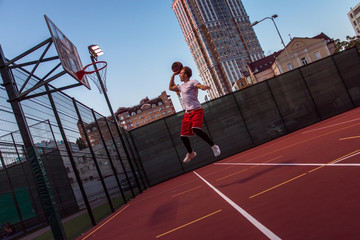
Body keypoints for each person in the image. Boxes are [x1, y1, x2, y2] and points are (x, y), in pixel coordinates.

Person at [169, 66, 220, 163]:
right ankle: (191, 153)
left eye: (181, 73)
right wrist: (173, 75)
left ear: (186, 74)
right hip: (187, 113)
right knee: (183, 136)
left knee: (196, 129)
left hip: (196, 110)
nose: (179, 74)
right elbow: (171, 87)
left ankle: (214, 146)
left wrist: (203, 87)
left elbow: (199, 86)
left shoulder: (193, 82)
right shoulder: (181, 87)